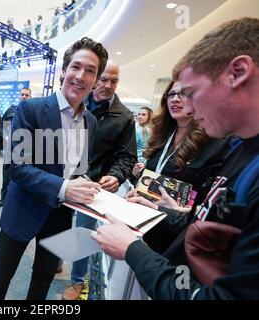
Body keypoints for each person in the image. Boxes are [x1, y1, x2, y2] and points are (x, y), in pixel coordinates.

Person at [92, 17, 259, 299]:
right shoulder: (244, 151)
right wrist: (165, 210)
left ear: (238, 73)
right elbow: (206, 228)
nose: (188, 108)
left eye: (191, 93)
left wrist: (132, 250)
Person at [0, 37, 109, 300]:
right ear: (64, 71)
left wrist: (86, 183)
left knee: (41, 283)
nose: (80, 76)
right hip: (22, 210)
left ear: (96, 80)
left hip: (60, 216)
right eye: (76, 67)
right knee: (0, 280)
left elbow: (77, 168)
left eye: (90, 71)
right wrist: (65, 188)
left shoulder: (91, 122)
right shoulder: (30, 109)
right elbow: (16, 166)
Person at [62, 61, 137, 300]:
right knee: (57, 225)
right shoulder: (74, 101)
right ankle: (53, 259)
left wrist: (115, 175)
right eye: (104, 79)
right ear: (94, 79)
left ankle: (76, 281)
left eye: (114, 81)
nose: (108, 85)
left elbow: (127, 157)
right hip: (62, 179)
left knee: (84, 234)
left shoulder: (124, 117)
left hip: (91, 188)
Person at [131, 80, 230, 254]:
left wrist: (175, 211)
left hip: (177, 238)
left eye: (183, 93)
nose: (175, 99)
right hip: (144, 225)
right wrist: (137, 182)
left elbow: (209, 205)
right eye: (171, 94)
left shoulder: (214, 143)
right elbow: (156, 175)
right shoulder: (162, 135)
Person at [0, 88, 32, 208]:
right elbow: (1, 125)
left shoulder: (33, 111)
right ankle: (3, 198)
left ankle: (18, 202)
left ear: (30, 96)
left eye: (26, 95)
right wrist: (5, 136)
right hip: (9, 150)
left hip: (26, 151)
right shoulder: (10, 110)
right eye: (22, 94)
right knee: (6, 176)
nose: (24, 96)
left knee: (23, 177)